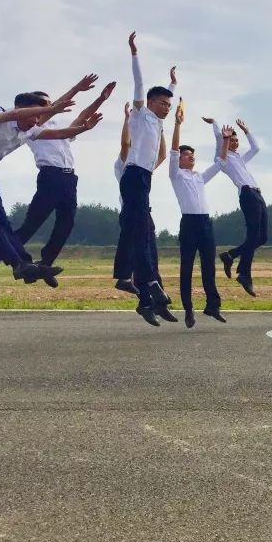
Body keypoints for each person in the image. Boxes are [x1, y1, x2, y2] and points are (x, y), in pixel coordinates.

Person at [0, 85, 102, 292]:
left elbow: (61, 133)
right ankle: (18, 264)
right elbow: (15, 114)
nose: (36, 122)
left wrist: (85, 128)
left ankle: (20, 264)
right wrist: (54, 106)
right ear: (21, 109)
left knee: (2, 221)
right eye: (35, 115)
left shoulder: (29, 131)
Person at [115, 31, 177, 326]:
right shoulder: (140, 115)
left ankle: (132, 279)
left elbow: (160, 157)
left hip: (144, 178)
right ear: (150, 102)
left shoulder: (158, 124)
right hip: (134, 176)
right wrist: (134, 53)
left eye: (169, 104)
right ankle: (148, 282)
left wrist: (173, 83)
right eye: (163, 103)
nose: (167, 107)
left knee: (140, 231)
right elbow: (140, 84)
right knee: (140, 231)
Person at [169, 101, 229, 328]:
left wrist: (224, 140)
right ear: (181, 158)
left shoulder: (200, 177)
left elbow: (221, 162)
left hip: (206, 223)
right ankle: (188, 309)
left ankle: (213, 305)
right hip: (189, 224)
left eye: (192, 154)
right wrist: (177, 124)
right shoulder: (176, 175)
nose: (190, 156)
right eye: (187, 154)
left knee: (209, 267)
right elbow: (173, 152)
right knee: (186, 267)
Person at [202, 116, 264, 297]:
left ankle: (230, 256)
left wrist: (247, 131)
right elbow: (218, 140)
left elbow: (256, 148)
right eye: (232, 139)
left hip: (258, 194)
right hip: (247, 194)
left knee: (262, 237)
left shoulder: (240, 158)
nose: (235, 142)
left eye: (237, 140)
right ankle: (244, 273)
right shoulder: (223, 157)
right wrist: (216, 126)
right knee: (253, 236)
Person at [113, 101, 166, 297]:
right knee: (141, 253)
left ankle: (153, 297)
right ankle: (145, 293)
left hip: (144, 211)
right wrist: (127, 120)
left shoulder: (145, 165)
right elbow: (125, 144)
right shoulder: (126, 163)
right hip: (130, 210)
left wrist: (160, 128)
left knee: (150, 253)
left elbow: (161, 154)